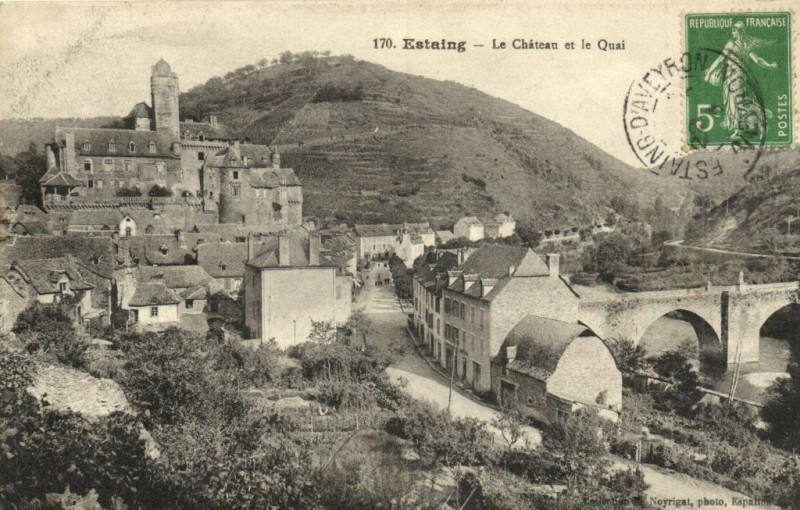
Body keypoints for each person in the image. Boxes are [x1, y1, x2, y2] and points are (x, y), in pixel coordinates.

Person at [703, 21, 777, 139]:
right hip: (741, 78)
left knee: (738, 104)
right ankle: (737, 126)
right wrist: (769, 65)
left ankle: (758, 122)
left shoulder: (731, 45)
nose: (732, 32)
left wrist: (709, 74)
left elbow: (719, 60)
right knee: (739, 103)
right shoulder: (746, 45)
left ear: (739, 32)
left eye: (734, 30)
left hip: (733, 78)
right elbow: (757, 60)